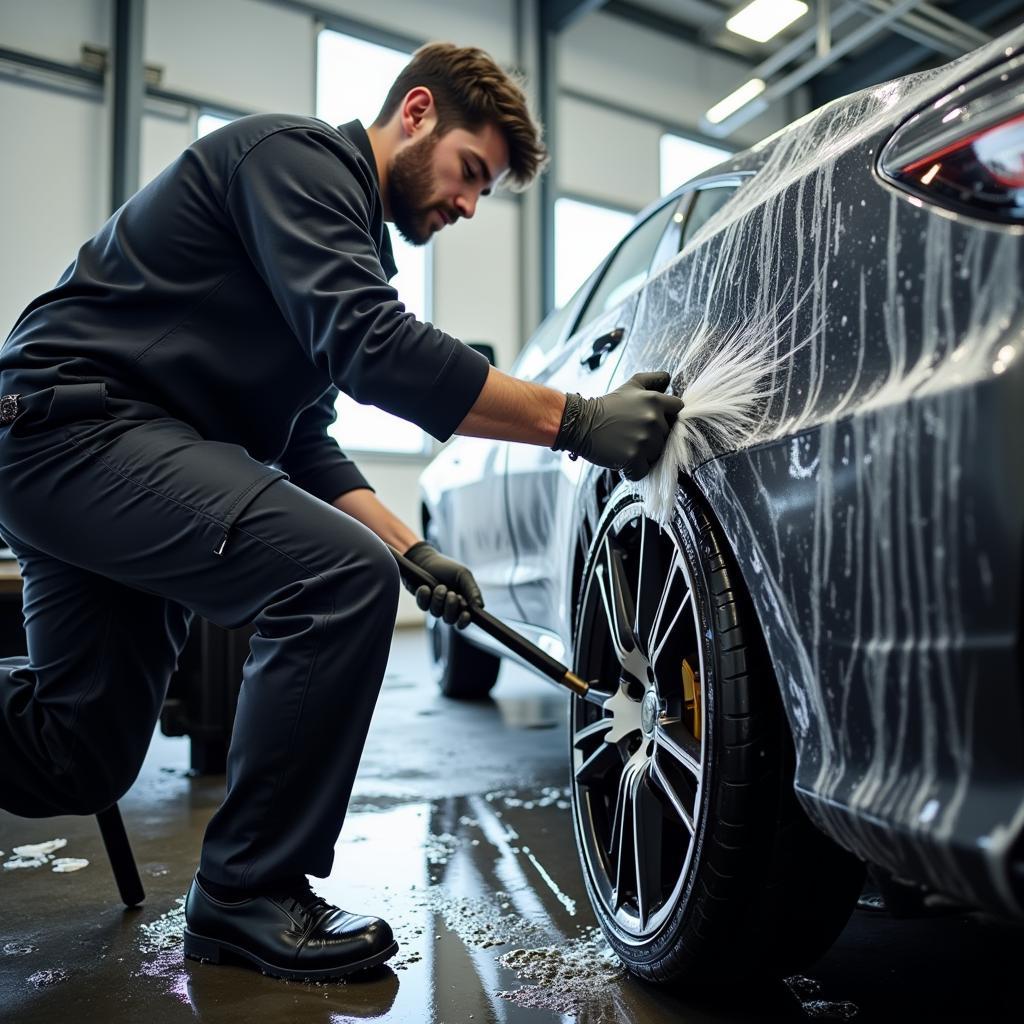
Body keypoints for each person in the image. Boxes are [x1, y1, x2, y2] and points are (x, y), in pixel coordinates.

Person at [0, 42, 683, 981]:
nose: (469, 205)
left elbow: (305, 440)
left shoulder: (336, 241)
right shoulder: (296, 162)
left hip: (109, 454)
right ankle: (248, 893)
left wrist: (411, 550)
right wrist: (577, 420)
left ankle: (236, 878)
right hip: (72, 428)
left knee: (75, 755)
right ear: (415, 115)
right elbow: (375, 347)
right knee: (333, 578)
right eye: (469, 172)